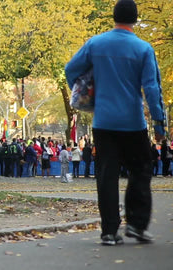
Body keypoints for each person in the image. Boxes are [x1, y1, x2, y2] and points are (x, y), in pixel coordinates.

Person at [65, 0, 166, 246]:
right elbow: (152, 88)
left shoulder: (95, 43)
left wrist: (85, 97)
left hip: (103, 121)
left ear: (113, 17)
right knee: (141, 170)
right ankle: (136, 224)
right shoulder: (143, 48)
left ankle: (109, 231)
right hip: (133, 122)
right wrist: (159, 123)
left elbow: (71, 69)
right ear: (135, 18)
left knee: (107, 175)